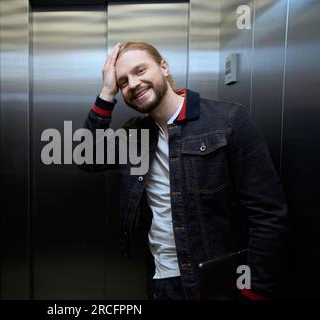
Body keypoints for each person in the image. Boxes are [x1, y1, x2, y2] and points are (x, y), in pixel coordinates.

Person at [78, 41, 288, 300]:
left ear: (163, 67)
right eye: (123, 82)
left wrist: (256, 291)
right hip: (161, 284)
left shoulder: (228, 120)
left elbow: (267, 213)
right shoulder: (134, 135)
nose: (132, 84)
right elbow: (85, 156)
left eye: (140, 71)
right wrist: (106, 92)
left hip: (217, 285)